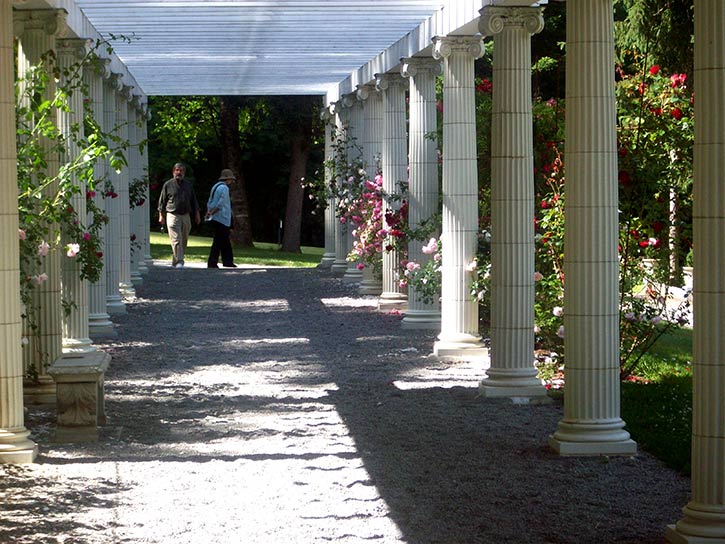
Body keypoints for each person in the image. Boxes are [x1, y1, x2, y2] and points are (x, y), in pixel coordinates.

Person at [157, 163, 201, 268]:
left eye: (181, 170)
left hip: (186, 215)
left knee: (184, 239)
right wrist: (161, 215)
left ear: (184, 173)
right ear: (173, 172)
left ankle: (175, 260)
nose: (179, 172)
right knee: (176, 239)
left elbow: (193, 201)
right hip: (172, 214)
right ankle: (180, 261)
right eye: (177, 170)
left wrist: (197, 214)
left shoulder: (188, 185)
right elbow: (162, 201)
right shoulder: (168, 184)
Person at [205, 168, 237, 268]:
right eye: (231, 179)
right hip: (222, 218)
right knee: (219, 241)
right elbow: (221, 204)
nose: (231, 182)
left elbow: (210, 201)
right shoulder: (224, 188)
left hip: (215, 217)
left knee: (225, 240)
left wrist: (209, 212)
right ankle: (213, 262)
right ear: (227, 179)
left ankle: (228, 261)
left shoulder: (215, 187)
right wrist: (213, 212)